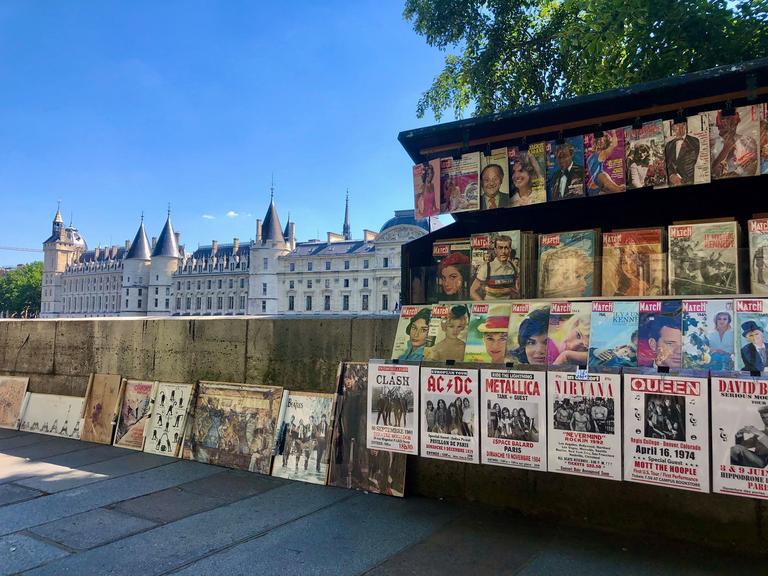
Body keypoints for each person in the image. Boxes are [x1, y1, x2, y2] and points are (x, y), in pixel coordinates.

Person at [470, 235, 520, 300]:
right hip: (491, 308)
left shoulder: (513, 267)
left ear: (510, 250)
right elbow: (472, 291)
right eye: (500, 248)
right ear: (495, 250)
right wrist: (484, 305)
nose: (503, 251)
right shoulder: (486, 268)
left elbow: (516, 289)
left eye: (506, 248)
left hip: (508, 307)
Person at [711, 110, 758, 178]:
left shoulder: (747, 141)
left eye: (727, 119)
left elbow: (750, 171)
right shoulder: (713, 144)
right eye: (721, 119)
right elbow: (712, 174)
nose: (723, 123)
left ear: (735, 123)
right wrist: (725, 149)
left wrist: (736, 172)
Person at [665, 121, 700, 185]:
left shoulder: (694, 141)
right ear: (673, 128)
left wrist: (679, 178)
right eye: (677, 126)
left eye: (682, 125)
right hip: (672, 182)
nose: (680, 128)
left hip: (687, 181)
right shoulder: (668, 145)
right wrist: (671, 175)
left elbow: (691, 161)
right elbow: (667, 163)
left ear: (685, 126)